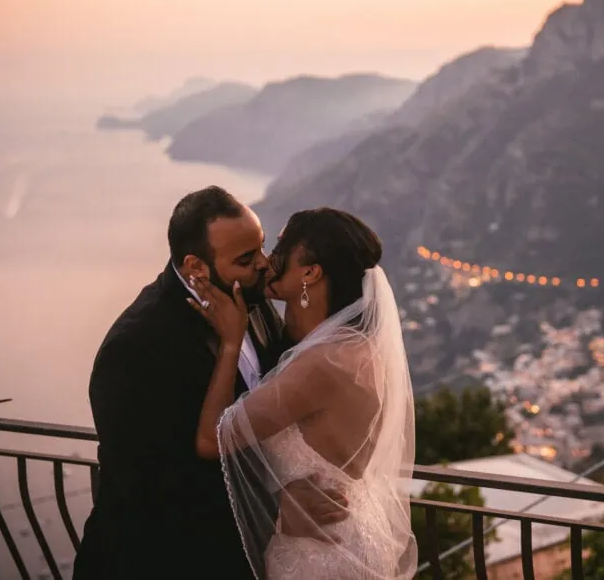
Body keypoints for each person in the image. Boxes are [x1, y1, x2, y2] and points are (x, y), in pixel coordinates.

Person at [74, 187, 349, 580]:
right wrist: (276, 507)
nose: (264, 264)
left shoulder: (251, 299)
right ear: (195, 267)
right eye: (246, 259)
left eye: (261, 247)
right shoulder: (134, 348)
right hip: (154, 562)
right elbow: (151, 485)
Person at [190, 207, 418, 580]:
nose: (268, 261)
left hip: (318, 549)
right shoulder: (356, 348)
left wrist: (231, 343)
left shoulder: (324, 363)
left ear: (310, 273)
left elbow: (209, 440)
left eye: (282, 249)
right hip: (349, 531)